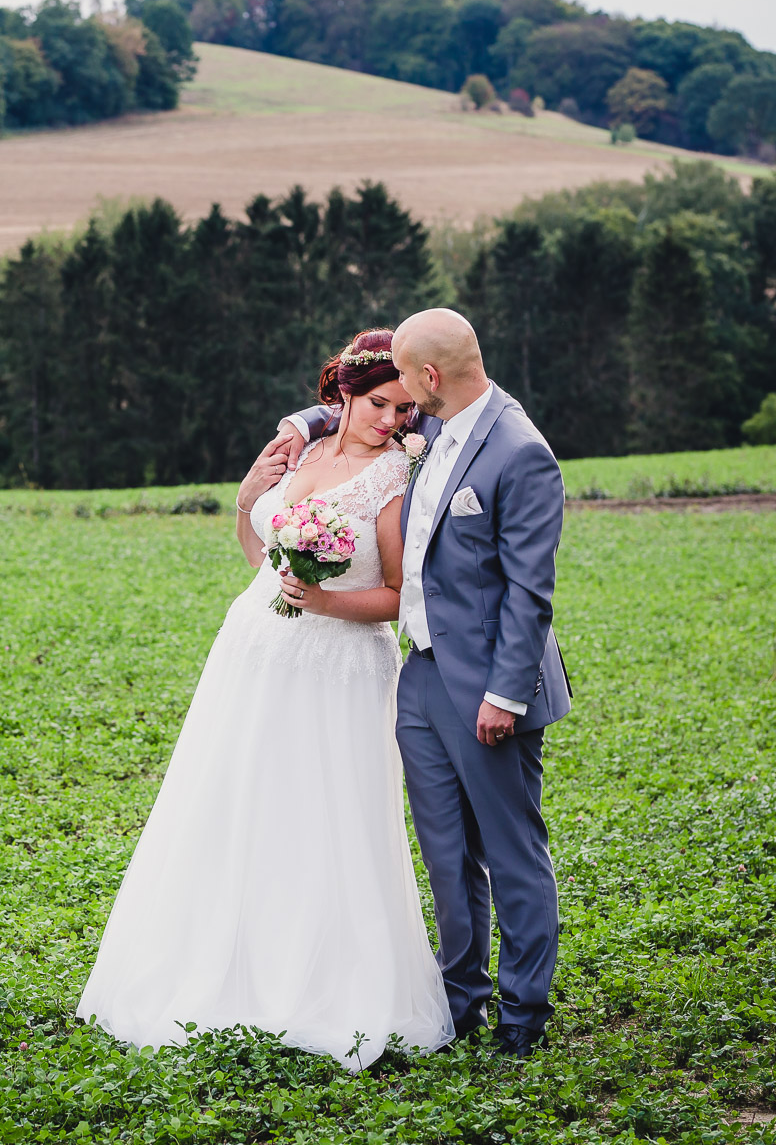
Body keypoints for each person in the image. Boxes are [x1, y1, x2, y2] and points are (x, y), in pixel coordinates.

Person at [77, 329, 454, 1070]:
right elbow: (263, 555)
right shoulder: (301, 452)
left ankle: (321, 979)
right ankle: (220, 967)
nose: (391, 421)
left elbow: (399, 598)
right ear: (342, 392)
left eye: (405, 411)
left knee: (320, 812)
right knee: (236, 800)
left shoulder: (393, 482)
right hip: (255, 649)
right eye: (380, 403)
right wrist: (249, 500)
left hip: (337, 663)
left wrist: (319, 601)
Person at [275, 307, 570, 1057]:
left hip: (488, 689)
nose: (398, 400)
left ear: (430, 379)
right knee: (445, 852)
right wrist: (301, 422)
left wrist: (504, 698)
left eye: (406, 382)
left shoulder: (519, 452)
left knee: (511, 851)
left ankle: (523, 1016)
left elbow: (529, 593)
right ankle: (460, 998)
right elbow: (347, 402)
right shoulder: (434, 426)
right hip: (421, 676)